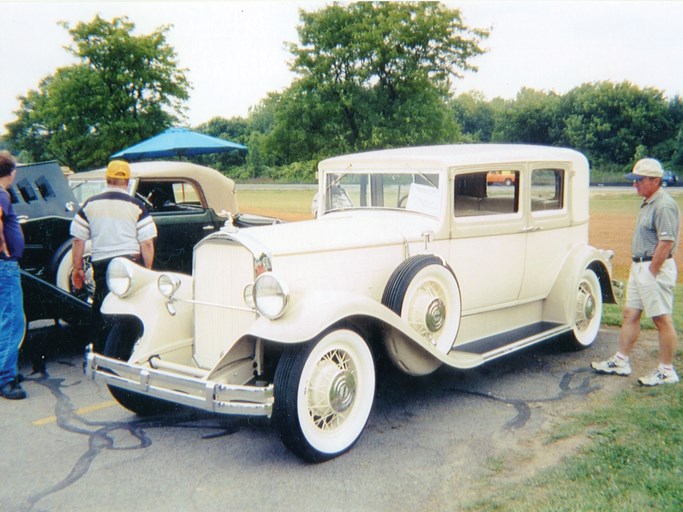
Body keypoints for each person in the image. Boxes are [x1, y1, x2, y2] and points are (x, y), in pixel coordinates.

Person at [592, 158, 680, 385]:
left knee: (661, 319)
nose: (635, 185)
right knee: (630, 313)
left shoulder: (663, 205)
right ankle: (621, 360)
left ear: (655, 180)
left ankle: (667, 370)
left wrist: (652, 271)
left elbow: (666, 241)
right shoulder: (648, 202)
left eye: (639, 180)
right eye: (634, 180)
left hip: (654, 268)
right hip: (641, 267)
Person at [70, 160, 157, 350]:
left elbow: (78, 240)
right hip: (130, 265)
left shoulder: (90, 204)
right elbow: (147, 243)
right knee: (130, 310)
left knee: (101, 308)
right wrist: (147, 271)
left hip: (102, 266)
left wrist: (77, 268)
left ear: (107, 178)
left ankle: (99, 352)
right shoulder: (137, 205)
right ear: (127, 181)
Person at [0, 151, 27, 400]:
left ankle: (6, 370)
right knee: (12, 321)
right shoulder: (1, 194)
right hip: (4, 266)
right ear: (12, 172)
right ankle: (6, 379)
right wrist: (4, 248)